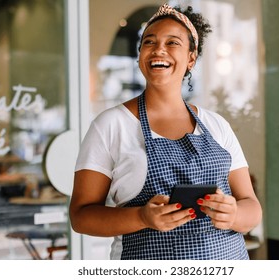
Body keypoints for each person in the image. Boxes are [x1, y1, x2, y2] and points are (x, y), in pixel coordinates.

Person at [69, 3, 262, 260]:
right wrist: (141, 217)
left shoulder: (217, 126)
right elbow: (81, 217)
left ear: (191, 58)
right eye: (149, 42)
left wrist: (234, 215)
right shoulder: (111, 125)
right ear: (140, 55)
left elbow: (251, 207)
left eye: (173, 43)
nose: (158, 49)